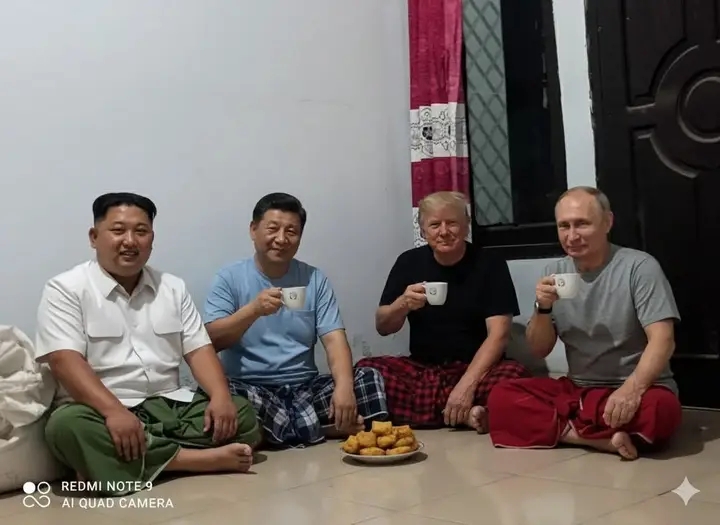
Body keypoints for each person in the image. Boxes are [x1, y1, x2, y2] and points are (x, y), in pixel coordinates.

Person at [36, 193, 260, 496]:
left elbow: (199, 349)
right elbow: (64, 361)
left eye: (140, 231)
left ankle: (121, 461)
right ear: (94, 237)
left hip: (170, 407)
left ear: (152, 239)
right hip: (101, 409)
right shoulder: (65, 288)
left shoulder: (172, 287)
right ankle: (194, 460)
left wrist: (220, 397)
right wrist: (114, 412)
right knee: (66, 426)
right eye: (118, 230)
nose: (130, 241)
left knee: (242, 413)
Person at [487, 186, 683, 460]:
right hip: (578, 389)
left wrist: (631, 390)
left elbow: (663, 340)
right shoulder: (554, 272)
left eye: (582, 224)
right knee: (501, 396)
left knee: (660, 411)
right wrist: (542, 307)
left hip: (638, 386)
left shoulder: (639, 267)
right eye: (564, 226)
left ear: (607, 222)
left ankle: (564, 426)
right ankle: (596, 438)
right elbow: (539, 349)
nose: (572, 236)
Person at [203, 192, 388, 448]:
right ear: (253, 230)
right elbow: (211, 341)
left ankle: (280, 432)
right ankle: (323, 428)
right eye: (273, 229)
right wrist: (253, 310)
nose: (281, 239)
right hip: (251, 388)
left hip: (305, 389)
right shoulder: (229, 278)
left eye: (291, 231)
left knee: (369, 378)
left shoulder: (314, 279)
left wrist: (344, 388)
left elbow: (334, 341)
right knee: (222, 397)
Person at [356, 191, 531, 430]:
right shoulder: (408, 262)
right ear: (423, 231)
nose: (444, 231)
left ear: (466, 226)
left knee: (516, 375)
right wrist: (403, 303)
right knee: (367, 370)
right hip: (424, 370)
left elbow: (499, 335)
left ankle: (435, 411)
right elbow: (383, 326)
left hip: (477, 368)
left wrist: (466, 385)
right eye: (435, 225)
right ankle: (467, 415)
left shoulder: (490, 263)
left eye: (452, 223)